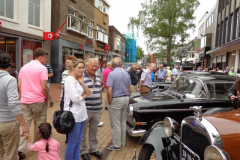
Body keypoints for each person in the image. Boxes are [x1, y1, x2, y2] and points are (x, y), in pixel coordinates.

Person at [18, 48, 49, 157]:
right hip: (38, 100)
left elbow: (19, 85)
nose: (45, 60)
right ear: (41, 57)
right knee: (40, 123)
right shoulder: (42, 68)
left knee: (24, 124)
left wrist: (22, 97)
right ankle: (38, 145)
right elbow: (44, 87)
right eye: (45, 58)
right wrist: (47, 99)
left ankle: (20, 148)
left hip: (25, 101)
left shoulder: (23, 68)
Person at [0, 51, 29, 160]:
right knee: (11, 154)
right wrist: (23, 123)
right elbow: (13, 103)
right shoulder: (10, 80)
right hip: (7, 122)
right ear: (9, 65)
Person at [64, 59, 92, 160]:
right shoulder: (69, 79)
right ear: (73, 68)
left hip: (81, 114)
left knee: (78, 141)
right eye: (79, 68)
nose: (81, 70)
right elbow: (75, 98)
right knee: (72, 142)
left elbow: (90, 93)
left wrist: (82, 83)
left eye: (83, 68)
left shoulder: (78, 80)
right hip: (73, 115)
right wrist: (83, 96)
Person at [106, 57, 132, 150]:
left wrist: (109, 101)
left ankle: (116, 145)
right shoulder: (126, 73)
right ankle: (122, 142)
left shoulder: (111, 74)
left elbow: (109, 91)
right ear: (121, 65)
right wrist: (127, 97)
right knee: (122, 122)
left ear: (112, 65)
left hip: (116, 99)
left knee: (116, 123)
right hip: (125, 98)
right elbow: (130, 89)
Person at [80, 58, 103, 160]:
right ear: (87, 66)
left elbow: (100, 91)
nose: (94, 68)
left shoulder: (98, 77)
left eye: (96, 66)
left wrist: (101, 103)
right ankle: (83, 151)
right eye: (92, 66)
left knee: (94, 131)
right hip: (86, 109)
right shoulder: (81, 77)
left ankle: (93, 149)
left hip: (97, 109)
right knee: (83, 132)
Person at [61, 55, 76, 144]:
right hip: (64, 99)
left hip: (73, 100)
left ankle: (72, 136)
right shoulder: (64, 73)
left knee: (73, 118)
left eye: (69, 62)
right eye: (66, 62)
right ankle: (68, 137)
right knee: (65, 119)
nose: (67, 64)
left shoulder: (76, 74)